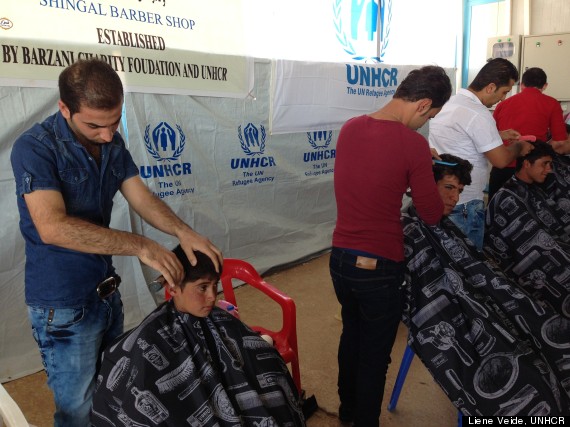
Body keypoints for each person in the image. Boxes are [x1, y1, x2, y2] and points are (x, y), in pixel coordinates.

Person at [9, 59, 223, 427]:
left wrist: (182, 231)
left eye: (114, 122)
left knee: (114, 393)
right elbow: (52, 227)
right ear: (64, 108)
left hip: (107, 294)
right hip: (63, 304)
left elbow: (140, 197)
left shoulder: (112, 141)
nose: (108, 135)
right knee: (77, 410)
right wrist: (142, 246)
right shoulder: (34, 148)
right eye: (94, 125)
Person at [402, 154, 570, 416]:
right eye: (448, 187)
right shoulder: (409, 231)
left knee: (552, 342)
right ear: (424, 185)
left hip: (486, 304)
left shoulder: (442, 225)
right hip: (460, 320)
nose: (455, 199)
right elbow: (423, 298)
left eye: (458, 191)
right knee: (533, 379)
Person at [330, 65, 451, 426]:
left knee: (351, 335)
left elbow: (371, 178)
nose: (425, 123)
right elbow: (430, 213)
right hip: (380, 269)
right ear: (423, 104)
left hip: (340, 261)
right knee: (374, 355)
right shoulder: (413, 145)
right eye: (429, 116)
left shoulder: (351, 127)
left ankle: (347, 411)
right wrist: (423, 170)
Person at [91, 248, 305, 426]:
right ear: (173, 287)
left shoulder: (220, 319)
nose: (212, 297)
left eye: (215, 285)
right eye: (202, 287)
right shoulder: (149, 335)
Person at [428, 58, 534, 250]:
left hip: (439, 196)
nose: (502, 99)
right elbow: (501, 160)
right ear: (491, 87)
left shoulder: (450, 102)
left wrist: (497, 135)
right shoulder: (478, 113)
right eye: (504, 92)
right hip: (465, 203)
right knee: (468, 265)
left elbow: (460, 136)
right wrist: (519, 147)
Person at [484, 141, 570, 318]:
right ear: (526, 164)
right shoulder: (506, 198)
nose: (548, 170)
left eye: (550, 164)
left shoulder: (536, 188)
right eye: (544, 164)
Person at [489, 67, 569, 201]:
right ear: (545, 86)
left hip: (502, 166)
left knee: (495, 208)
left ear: (522, 85)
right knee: (531, 215)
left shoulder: (502, 104)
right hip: (532, 170)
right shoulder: (552, 104)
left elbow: (491, 136)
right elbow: (560, 142)